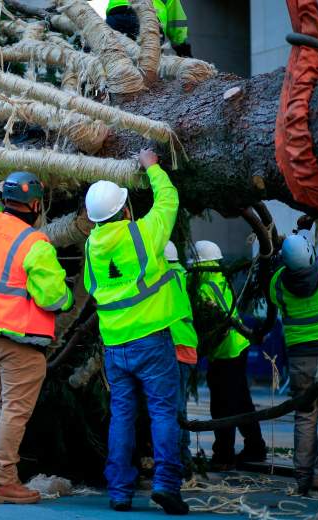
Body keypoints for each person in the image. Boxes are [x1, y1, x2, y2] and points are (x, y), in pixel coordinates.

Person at [83, 149, 188, 515]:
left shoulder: (91, 248)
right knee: (162, 412)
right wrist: (153, 167)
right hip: (152, 340)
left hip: (115, 347)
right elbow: (168, 199)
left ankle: (120, 492)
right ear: (125, 210)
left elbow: (92, 286)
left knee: (122, 415)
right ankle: (166, 485)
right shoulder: (143, 234)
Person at [0, 171, 74, 504]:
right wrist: (69, 297)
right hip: (18, 343)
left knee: (4, 408)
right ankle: (2, 481)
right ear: (37, 205)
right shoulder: (34, 244)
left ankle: (2, 476)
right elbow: (53, 298)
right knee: (13, 411)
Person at [268, 234, 318, 495]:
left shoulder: (277, 283)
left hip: (299, 359)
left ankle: (303, 478)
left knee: (305, 416)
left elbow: (276, 284)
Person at [191, 240, 267, 471]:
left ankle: (223, 455)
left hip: (226, 352)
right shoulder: (219, 279)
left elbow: (211, 324)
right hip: (236, 347)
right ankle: (256, 447)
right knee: (241, 401)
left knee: (222, 405)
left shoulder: (204, 287)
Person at [165, 241, 198, 476]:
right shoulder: (179, 275)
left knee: (174, 409)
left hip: (173, 346)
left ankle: (181, 462)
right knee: (180, 407)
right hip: (186, 345)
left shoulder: (163, 277)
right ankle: (183, 460)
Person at [105, 0, 193, 57]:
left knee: (108, 56)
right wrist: (182, 47)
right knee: (146, 67)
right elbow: (176, 21)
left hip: (118, 15)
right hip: (151, 23)